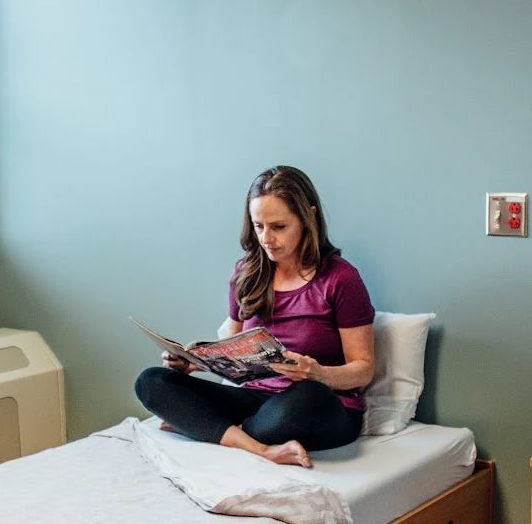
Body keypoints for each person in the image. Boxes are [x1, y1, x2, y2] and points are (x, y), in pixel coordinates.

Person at [135, 166, 374, 468]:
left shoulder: (341, 279)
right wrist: (197, 362)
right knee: (151, 381)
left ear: (308, 217)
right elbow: (233, 354)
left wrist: (319, 374)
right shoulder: (246, 273)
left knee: (308, 395)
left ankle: (204, 427)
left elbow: (364, 369)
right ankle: (259, 447)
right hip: (256, 401)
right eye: (258, 226)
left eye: (278, 226)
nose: (266, 238)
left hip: (320, 407)